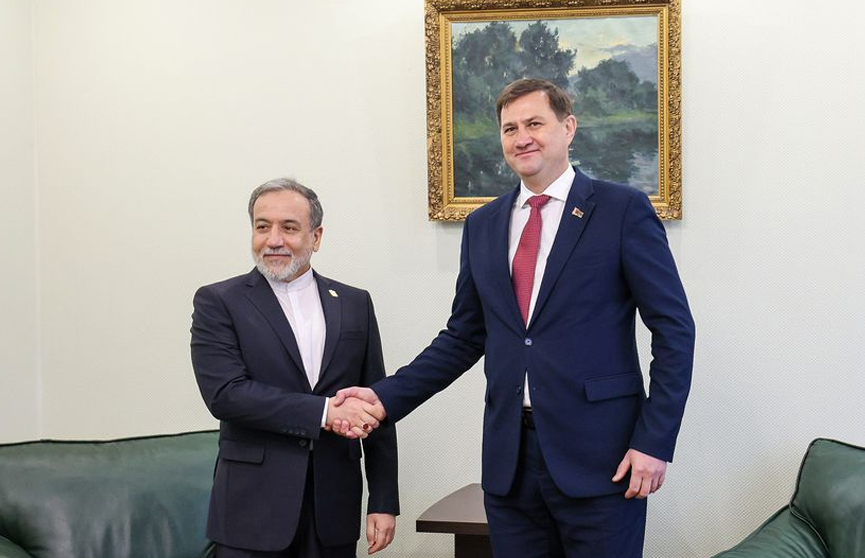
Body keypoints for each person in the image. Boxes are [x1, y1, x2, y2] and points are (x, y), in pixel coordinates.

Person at [333, 79, 695, 558]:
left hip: (603, 459)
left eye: (534, 124)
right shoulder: (483, 225)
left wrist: (654, 441)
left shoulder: (622, 210)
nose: (522, 138)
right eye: (510, 128)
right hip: (510, 464)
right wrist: (383, 398)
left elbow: (674, 330)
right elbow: (463, 337)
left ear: (568, 128)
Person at [191, 178, 398, 558]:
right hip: (251, 512)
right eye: (262, 226)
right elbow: (226, 395)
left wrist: (383, 499)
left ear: (316, 237)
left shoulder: (354, 303)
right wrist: (324, 412)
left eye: (288, 228)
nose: (273, 240)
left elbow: (375, 401)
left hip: (333, 509)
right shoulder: (219, 301)